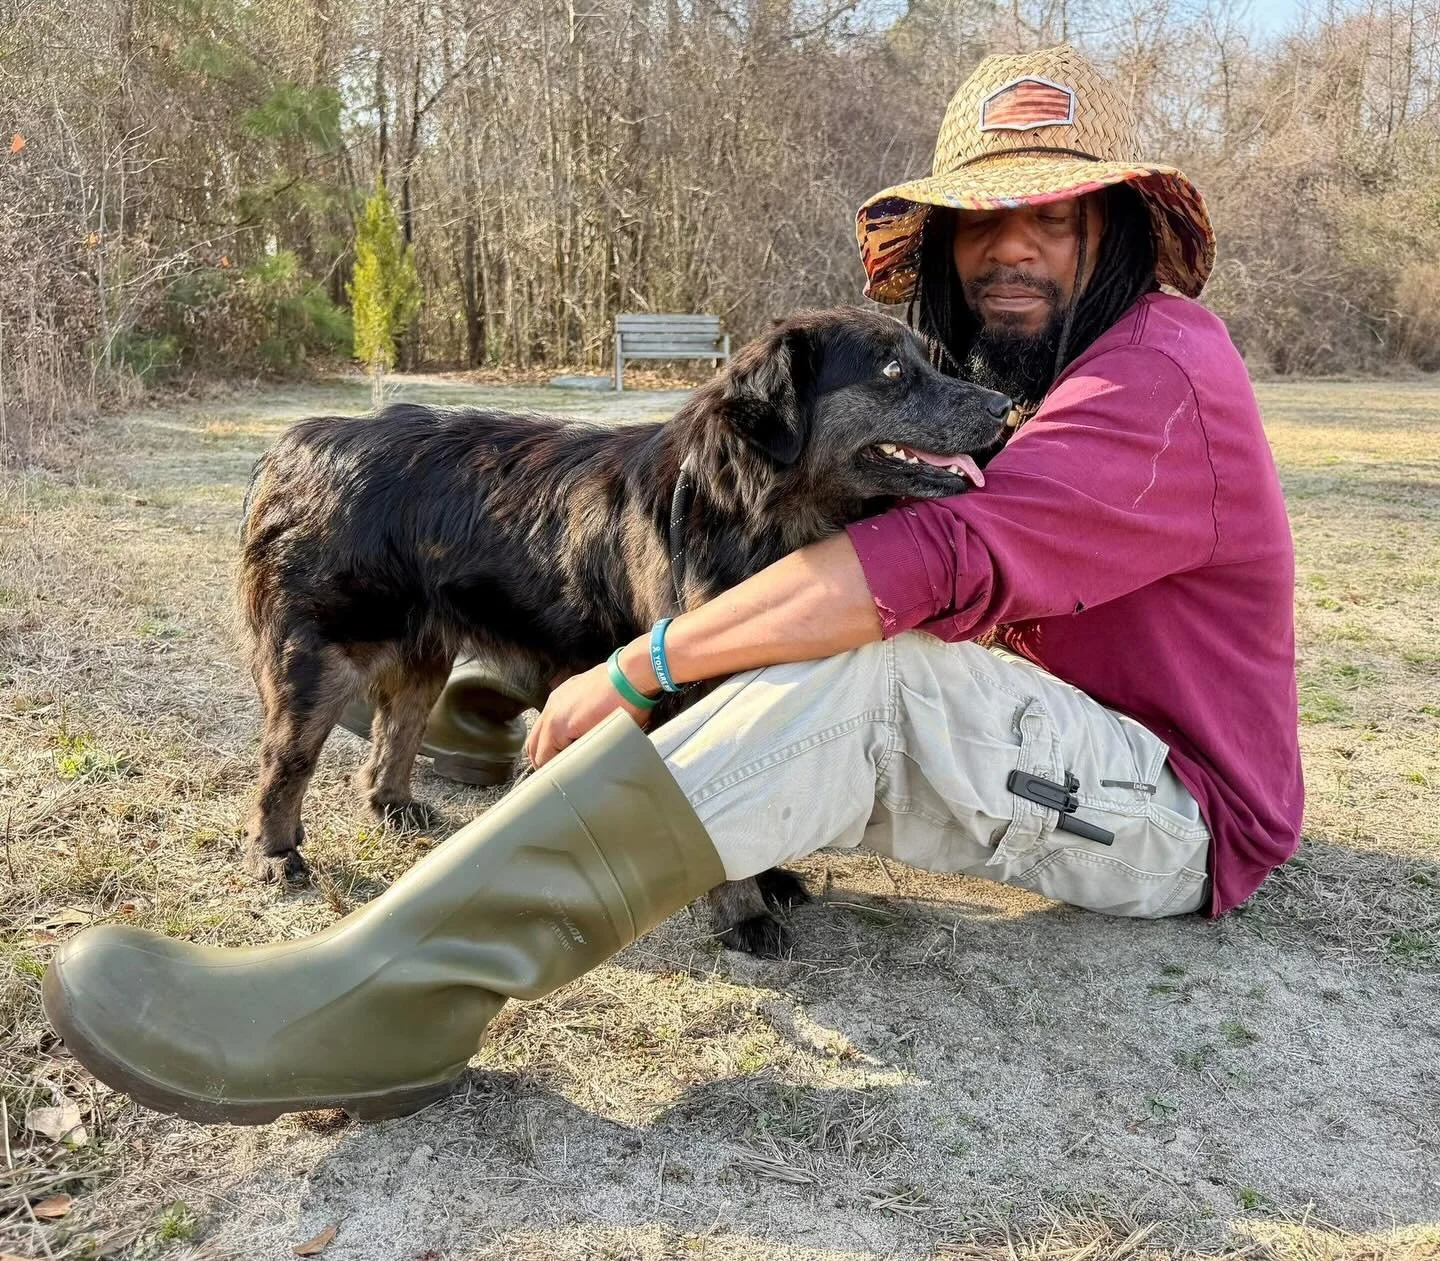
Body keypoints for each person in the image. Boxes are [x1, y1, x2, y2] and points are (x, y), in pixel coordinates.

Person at [42, 45, 1302, 1125]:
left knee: (856, 664)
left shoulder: (1160, 374)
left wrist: (645, 663)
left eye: (1055, 218)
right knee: (799, 647)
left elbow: (938, 565)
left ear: (1119, 228)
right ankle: (503, 741)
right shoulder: (1059, 377)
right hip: (1079, 764)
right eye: (986, 224)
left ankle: (381, 994)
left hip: (1175, 816)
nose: (1009, 253)